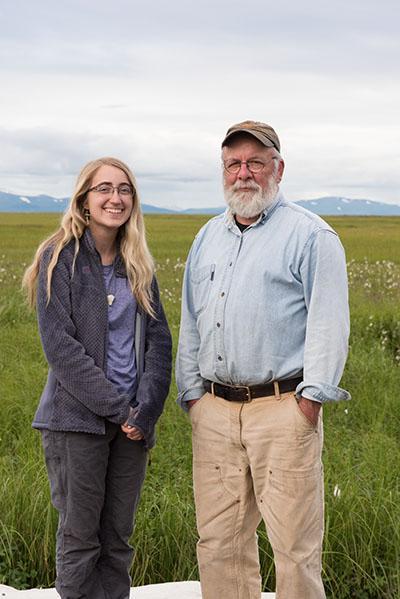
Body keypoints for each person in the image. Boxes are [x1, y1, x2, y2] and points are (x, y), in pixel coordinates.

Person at [176, 120, 350, 599]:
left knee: (294, 548)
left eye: (255, 162)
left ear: (279, 168)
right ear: (223, 171)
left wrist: (310, 401)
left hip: (283, 409)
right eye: (233, 163)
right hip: (213, 410)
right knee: (218, 543)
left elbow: (329, 323)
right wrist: (191, 394)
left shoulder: (311, 236)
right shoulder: (207, 237)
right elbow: (191, 320)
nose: (243, 173)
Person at [22, 157, 172, 599]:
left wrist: (144, 413)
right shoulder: (59, 259)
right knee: (80, 540)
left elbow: (159, 343)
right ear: (84, 200)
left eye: (124, 189)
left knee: (117, 541)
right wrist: (118, 409)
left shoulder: (137, 263)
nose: (116, 197)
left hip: (132, 428)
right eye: (104, 188)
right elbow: (62, 351)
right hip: (77, 423)